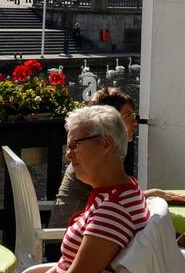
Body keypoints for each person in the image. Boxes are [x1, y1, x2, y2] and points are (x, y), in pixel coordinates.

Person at [0, 106, 149, 273]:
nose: (69, 155)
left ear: (106, 144)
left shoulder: (114, 209)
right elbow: (67, 268)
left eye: (75, 145)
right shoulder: (117, 194)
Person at [49, 88, 137, 228]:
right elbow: (117, 202)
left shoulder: (95, 157)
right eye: (128, 116)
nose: (134, 123)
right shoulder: (89, 163)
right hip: (62, 238)